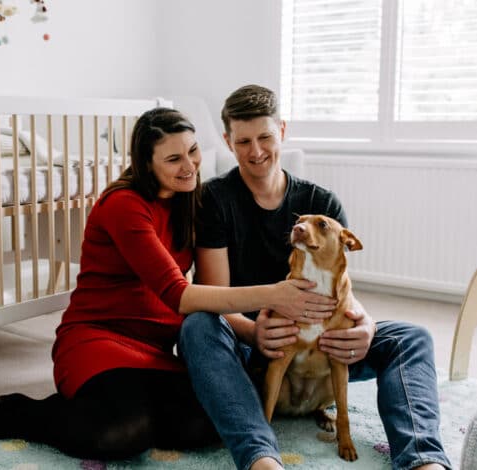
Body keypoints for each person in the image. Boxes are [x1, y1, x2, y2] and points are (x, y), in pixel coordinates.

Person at [0, 107, 338, 460]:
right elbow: (179, 294)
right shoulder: (124, 205)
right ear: (145, 165)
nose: (188, 166)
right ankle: (14, 415)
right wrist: (275, 293)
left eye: (192, 152)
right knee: (121, 435)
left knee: (205, 425)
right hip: (98, 339)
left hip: (153, 349)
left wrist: (252, 328)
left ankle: (100, 408)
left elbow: (206, 295)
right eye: (173, 159)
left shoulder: (192, 202)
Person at [178, 84, 451, 470]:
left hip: (323, 346)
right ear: (227, 141)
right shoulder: (214, 201)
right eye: (243, 141)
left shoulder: (322, 204)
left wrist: (366, 327)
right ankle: (260, 456)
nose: (255, 152)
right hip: (256, 348)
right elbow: (216, 297)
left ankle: (423, 459)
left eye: (265, 137)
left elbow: (344, 290)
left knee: (413, 338)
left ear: (282, 132)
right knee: (197, 327)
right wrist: (253, 331)